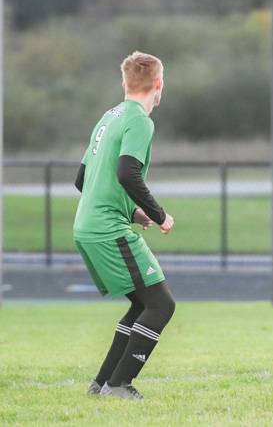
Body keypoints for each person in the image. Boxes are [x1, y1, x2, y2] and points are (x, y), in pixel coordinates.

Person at [73, 51, 176, 400]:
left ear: (124, 82)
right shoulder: (139, 121)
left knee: (141, 303)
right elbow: (127, 172)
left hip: (88, 225)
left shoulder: (108, 117)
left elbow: (82, 179)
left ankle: (102, 383)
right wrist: (160, 215)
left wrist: (134, 213)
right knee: (161, 305)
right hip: (106, 228)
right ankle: (119, 385)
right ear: (159, 84)